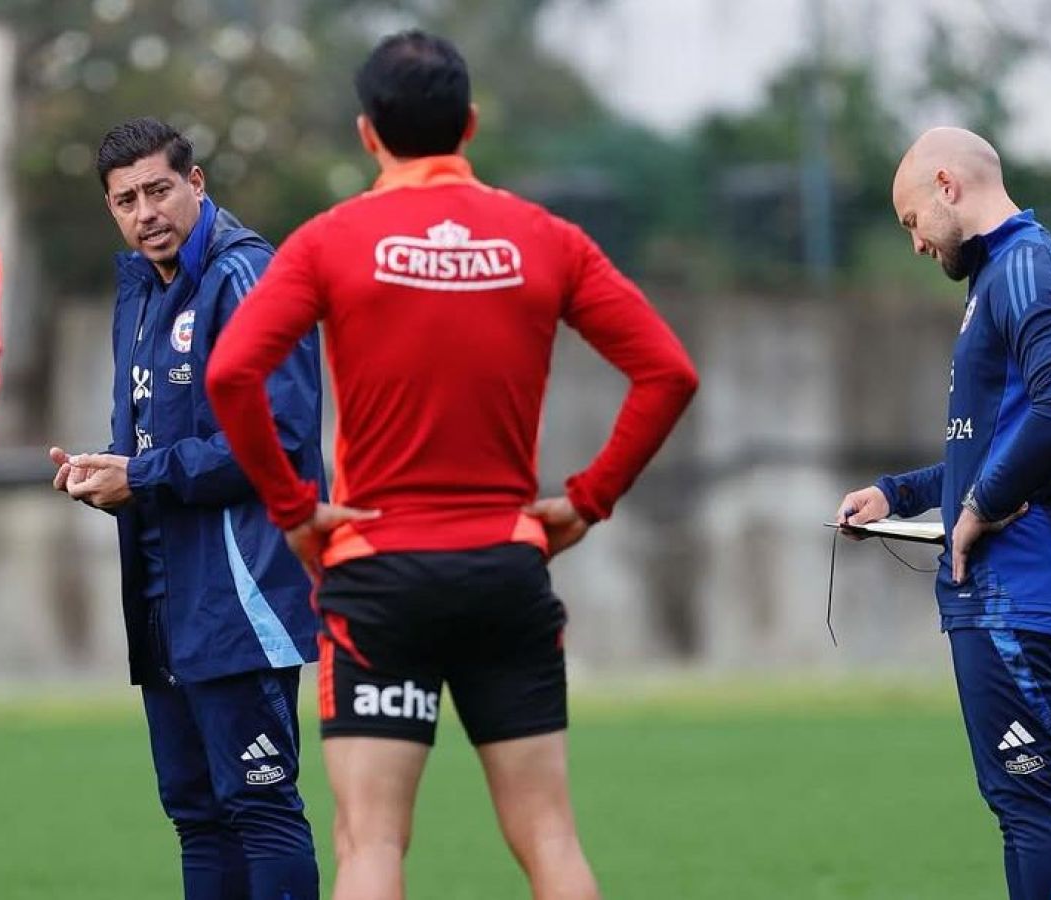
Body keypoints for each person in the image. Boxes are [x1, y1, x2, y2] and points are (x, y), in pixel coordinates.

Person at [207, 30, 698, 900]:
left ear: (367, 133)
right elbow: (668, 371)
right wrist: (588, 500)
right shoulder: (545, 237)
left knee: (370, 847)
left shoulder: (330, 239)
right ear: (469, 124)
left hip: (377, 577)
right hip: (506, 573)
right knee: (549, 838)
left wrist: (291, 510)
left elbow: (231, 372)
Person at [49, 117, 322, 900]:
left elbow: (279, 442)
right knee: (196, 815)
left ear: (196, 184)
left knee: (261, 807)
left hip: (240, 591)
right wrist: (106, 476)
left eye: (160, 189)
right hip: (165, 590)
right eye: (125, 199)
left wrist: (142, 476)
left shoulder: (246, 278)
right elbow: (154, 447)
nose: (146, 212)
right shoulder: (140, 288)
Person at [835, 127, 1051, 900]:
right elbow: (999, 437)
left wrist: (980, 507)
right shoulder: (1012, 273)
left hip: (1017, 582)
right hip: (1009, 582)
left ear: (947, 186)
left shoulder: (1024, 269)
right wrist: (902, 493)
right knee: (1019, 804)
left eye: (912, 220)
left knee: (1031, 800)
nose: (914, 244)